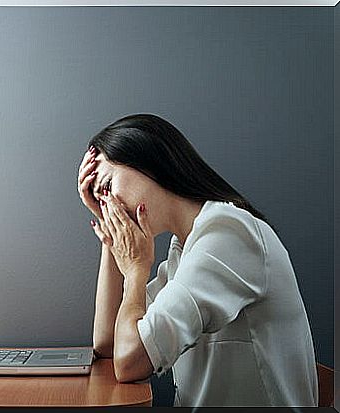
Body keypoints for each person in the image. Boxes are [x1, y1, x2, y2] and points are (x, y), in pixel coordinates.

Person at [76, 113, 318, 407]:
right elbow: (110, 344)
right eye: (101, 201)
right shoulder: (185, 250)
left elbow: (129, 362)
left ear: (147, 160)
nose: (110, 205)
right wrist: (111, 235)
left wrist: (136, 271)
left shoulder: (229, 234)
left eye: (106, 187)